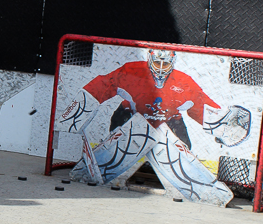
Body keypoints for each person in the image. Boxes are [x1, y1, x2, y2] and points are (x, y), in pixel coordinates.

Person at [83, 49, 221, 150]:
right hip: (130, 116)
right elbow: (104, 85)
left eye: (165, 64)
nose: (161, 68)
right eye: (157, 62)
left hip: (169, 121)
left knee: (185, 151)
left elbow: (202, 106)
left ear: (172, 63)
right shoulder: (132, 71)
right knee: (117, 139)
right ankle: (113, 149)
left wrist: (220, 127)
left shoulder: (184, 82)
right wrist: (83, 104)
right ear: (150, 60)